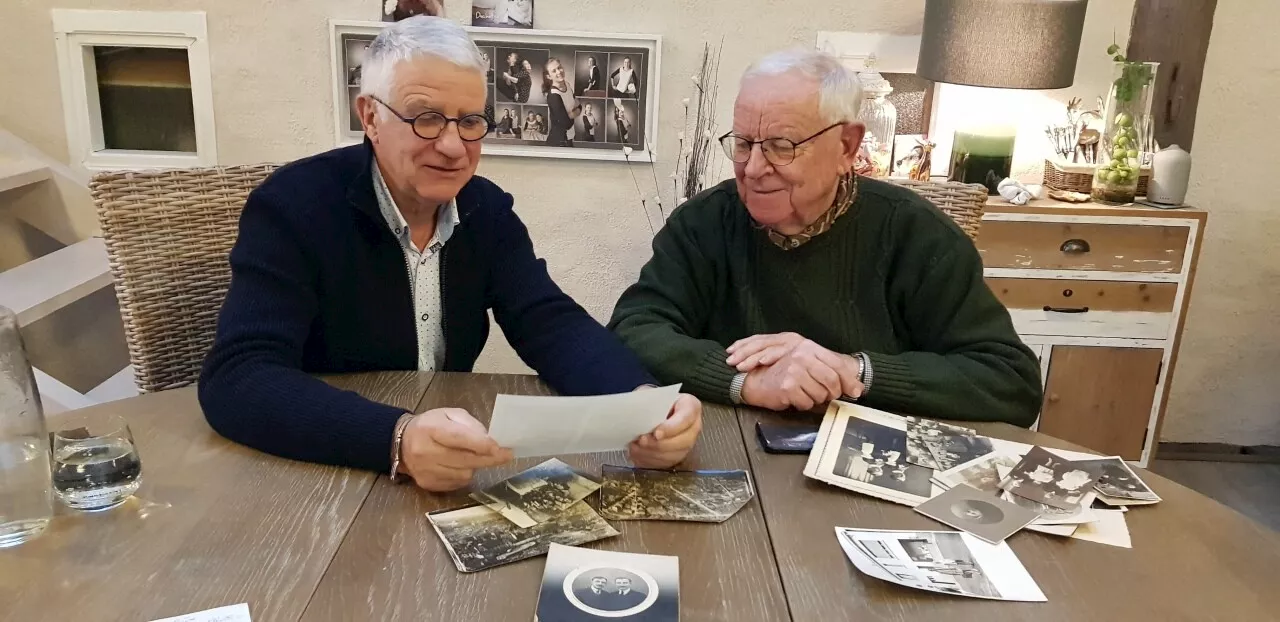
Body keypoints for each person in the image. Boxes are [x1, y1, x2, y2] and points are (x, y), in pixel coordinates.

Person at [199, 16, 703, 493]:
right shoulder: (291, 207)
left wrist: (639, 402)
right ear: (370, 116)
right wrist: (395, 439)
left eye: (470, 121)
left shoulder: (485, 209)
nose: (453, 146)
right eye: (425, 119)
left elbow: (549, 322)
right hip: (319, 469)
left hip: (447, 469)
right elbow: (238, 376)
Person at [607, 47, 1042, 427]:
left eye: (781, 145)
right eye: (743, 143)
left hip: (873, 468)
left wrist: (853, 372)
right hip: (727, 449)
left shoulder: (917, 235)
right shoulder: (704, 223)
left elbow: (1010, 383)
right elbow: (633, 330)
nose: (754, 168)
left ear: (847, 148)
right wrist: (746, 382)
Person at [544, 58, 579, 147]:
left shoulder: (567, 84)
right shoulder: (553, 95)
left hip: (569, 139)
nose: (559, 72)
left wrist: (571, 114)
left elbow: (579, 106)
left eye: (559, 68)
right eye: (554, 71)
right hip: (558, 142)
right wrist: (575, 112)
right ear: (549, 76)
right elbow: (566, 123)